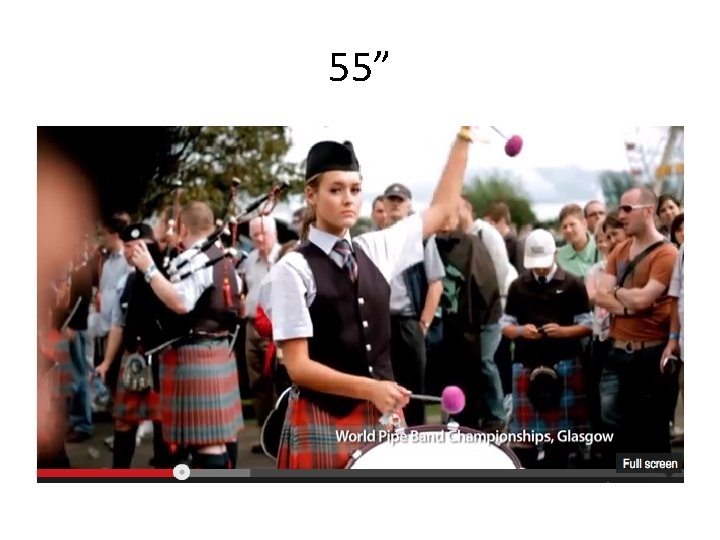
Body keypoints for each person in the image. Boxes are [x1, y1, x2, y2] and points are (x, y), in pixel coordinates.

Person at [263, 128, 473, 469]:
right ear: (311, 195)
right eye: (336, 190)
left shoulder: (376, 248)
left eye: (355, 189)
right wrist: (370, 389)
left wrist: (464, 138)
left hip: (382, 415)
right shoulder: (293, 268)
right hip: (322, 418)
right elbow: (298, 367)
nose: (348, 199)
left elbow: (442, 209)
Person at [130, 201, 244, 469]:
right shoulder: (223, 258)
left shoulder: (196, 259)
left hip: (196, 355)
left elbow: (181, 303)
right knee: (217, 439)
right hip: (220, 350)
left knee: (206, 443)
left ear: (182, 227)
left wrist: (149, 269)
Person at [595, 187, 679, 454]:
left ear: (648, 211)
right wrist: (629, 306)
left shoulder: (667, 253)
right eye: (620, 208)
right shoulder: (620, 250)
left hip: (651, 356)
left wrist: (617, 292)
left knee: (652, 435)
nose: (621, 215)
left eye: (627, 209)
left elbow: (644, 298)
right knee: (620, 434)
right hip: (618, 354)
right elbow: (599, 294)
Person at [500, 229, 593, 468]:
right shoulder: (518, 286)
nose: (540, 269)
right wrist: (521, 331)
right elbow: (505, 326)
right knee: (523, 441)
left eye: (543, 263)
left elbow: (588, 325)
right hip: (525, 364)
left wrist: (563, 332)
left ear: (555, 254)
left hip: (564, 365)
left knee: (560, 442)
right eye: (535, 264)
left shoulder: (573, 284)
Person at [95, 223, 172, 468]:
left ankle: (164, 472)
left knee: (162, 421)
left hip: (161, 357)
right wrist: (107, 362)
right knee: (123, 421)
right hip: (133, 357)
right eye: (127, 246)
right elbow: (118, 324)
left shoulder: (168, 275)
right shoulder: (126, 281)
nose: (131, 252)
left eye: (138, 246)